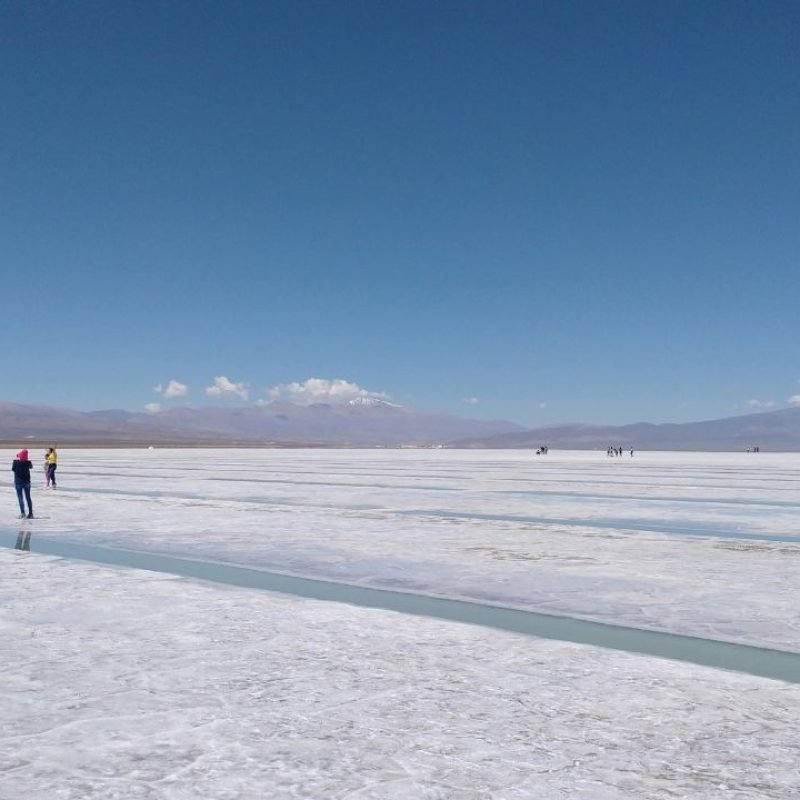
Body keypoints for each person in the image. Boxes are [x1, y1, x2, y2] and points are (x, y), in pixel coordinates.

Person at [12, 449, 34, 519]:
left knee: (20, 498)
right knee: (28, 498)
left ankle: (23, 513)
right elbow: (31, 467)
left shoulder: (15, 462)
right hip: (27, 483)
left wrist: (19, 456)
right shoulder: (28, 463)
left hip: (18, 483)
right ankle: (30, 513)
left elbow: (13, 469)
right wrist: (25, 459)